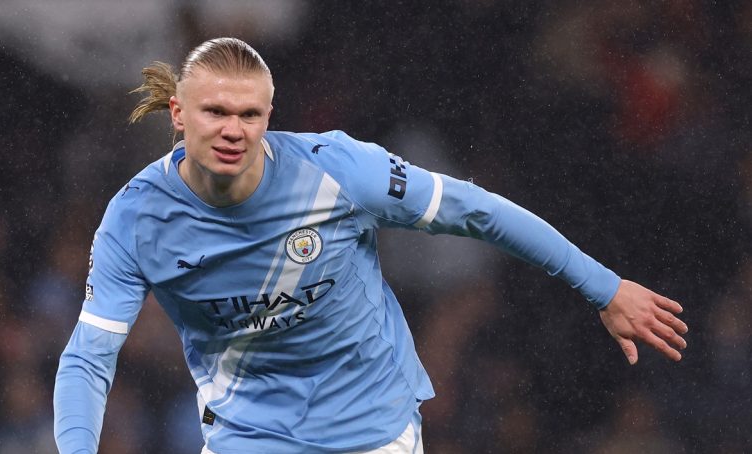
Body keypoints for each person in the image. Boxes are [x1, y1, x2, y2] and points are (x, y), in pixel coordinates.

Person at [53, 37, 688, 454]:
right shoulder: (136, 219)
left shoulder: (338, 172)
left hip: (372, 430)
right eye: (216, 111)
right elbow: (88, 358)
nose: (234, 130)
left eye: (251, 115)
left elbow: (478, 212)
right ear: (178, 115)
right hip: (250, 435)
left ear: (270, 116)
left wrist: (603, 286)